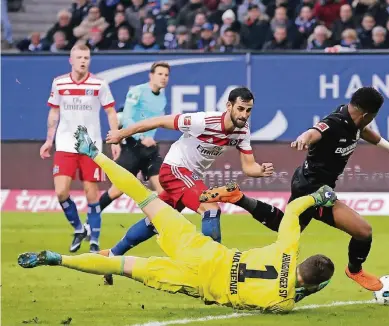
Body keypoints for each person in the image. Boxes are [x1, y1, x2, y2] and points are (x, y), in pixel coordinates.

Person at [18, 126, 336, 313]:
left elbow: (293, 211)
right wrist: (304, 290)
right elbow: (286, 295)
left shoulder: (288, 249)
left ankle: (94, 153)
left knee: (145, 197)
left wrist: (317, 197)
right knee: (122, 266)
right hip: (197, 281)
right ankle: (57, 259)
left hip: (200, 250)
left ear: (303, 259)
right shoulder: (283, 303)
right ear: (316, 285)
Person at [200, 87, 389, 292]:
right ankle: (354, 270)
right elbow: (316, 131)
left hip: (318, 187)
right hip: (311, 189)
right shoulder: (335, 123)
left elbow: (365, 132)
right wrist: (304, 138)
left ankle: (239, 197)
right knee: (360, 231)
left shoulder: (354, 119)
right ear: (368, 114)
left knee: (291, 226)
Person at [101, 87, 274, 284]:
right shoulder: (203, 121)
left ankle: (112, 256)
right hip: (175, 169)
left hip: (188, 177)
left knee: (156, 220)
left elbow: (248, 166)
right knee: (210, 208)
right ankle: (212, 272)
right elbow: (159, 121)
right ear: (229, 106)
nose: (244, 115)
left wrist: (260, 170)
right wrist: (121, 134)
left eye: (248, 110)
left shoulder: (242, 131)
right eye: (241, 109)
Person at [40, 44, 120, 253]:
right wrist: (49, 140)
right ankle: (78, 228)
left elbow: (111, 112)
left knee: (91, 195)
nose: (83, 61)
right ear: (71, 60)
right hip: (65, 144)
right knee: (61, 192)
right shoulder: (59, 83)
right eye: (79, 57)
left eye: (86, 57)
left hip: (90, 146)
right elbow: (54, 113)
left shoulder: (99, 84)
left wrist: (116, 138)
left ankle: (94, 242)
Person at [99, 61, 169, 212]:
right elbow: (127, 119)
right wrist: (143, 137)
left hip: (150, 149)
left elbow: (154, 122)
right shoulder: (137, 91)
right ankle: (91, 219)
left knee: (163, 190)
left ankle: (163, 227)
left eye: (166, 75)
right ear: (151, 76)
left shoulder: (162, 98)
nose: (163, 78)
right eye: (160, 74)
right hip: (133, 145)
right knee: (116, 191)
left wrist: (150, 138)